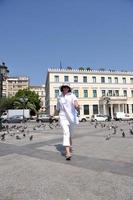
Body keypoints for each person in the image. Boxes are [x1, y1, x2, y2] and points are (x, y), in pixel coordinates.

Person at [56, 84, 79, 160]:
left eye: (67, 87)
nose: (65, 88)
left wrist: (76, 106)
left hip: (72, 117)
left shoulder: (72, 95)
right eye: (64, 87)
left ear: (69, 89)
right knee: (66, 133)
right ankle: (68, 152)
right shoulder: (59, 97)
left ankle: (70, 146)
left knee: (70, 135)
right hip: (63, 117)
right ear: (62, 89)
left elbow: (75, 102)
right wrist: (52, 116)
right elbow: (58, 108)